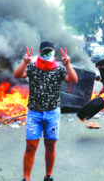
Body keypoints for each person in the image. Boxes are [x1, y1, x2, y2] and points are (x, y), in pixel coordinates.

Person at [14, 40, 78, 181]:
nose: (47, 54)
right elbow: (17, 75)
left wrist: (67, 65)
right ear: (39, 52)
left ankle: (48, 176)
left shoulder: (59, 69)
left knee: (50, 146)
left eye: (49, 51)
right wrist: (25, 62)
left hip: (52, 113)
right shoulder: (32, 67)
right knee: (30, 146)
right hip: (34, 113)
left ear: (54, 53)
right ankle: (26, 178)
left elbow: (73, 80)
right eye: (44, 51)